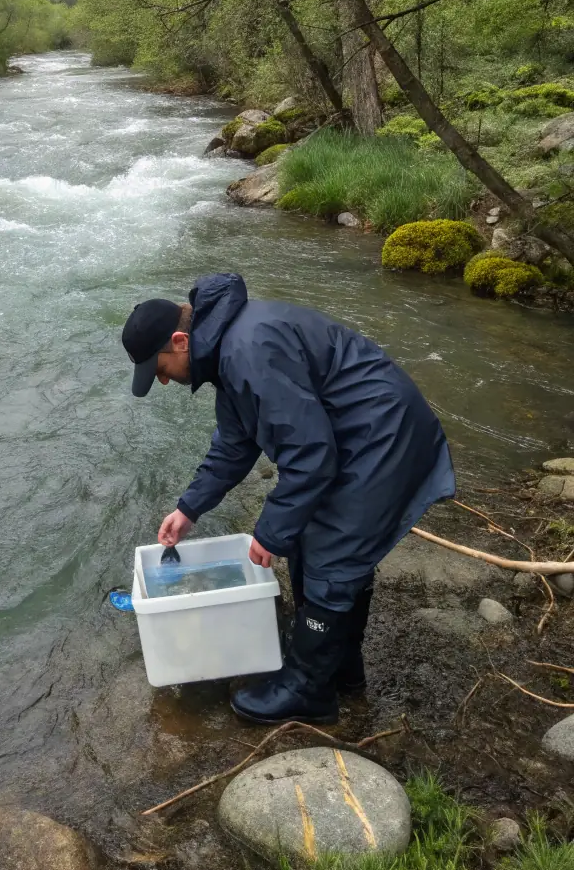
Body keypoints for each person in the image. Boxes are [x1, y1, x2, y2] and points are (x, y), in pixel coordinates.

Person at [121, 272, 455, 724]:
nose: (162, 381)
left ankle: (309, 689)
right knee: (308, 543)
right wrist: (189, 507)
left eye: (159, 370)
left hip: (382, 436)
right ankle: (340, 667)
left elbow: (311, 455)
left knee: (330, 551)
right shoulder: (227, 349)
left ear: (180, 341)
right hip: (355, 433)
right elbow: (235, 444)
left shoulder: (248, 350)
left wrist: (269, 532)